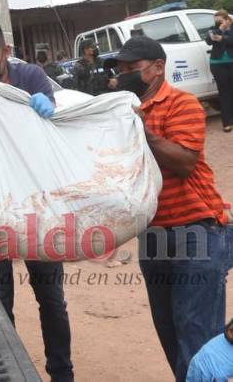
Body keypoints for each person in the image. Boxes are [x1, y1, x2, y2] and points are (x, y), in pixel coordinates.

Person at [0, 18, 74, 382]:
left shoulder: (31, 78)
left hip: (35, 204)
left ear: (5, 51)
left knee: (51, 300)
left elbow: (53, 125)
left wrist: (45, 108)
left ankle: (62, 373)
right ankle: (9, 374)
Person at [107, 35, 228, 382]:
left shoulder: (182, 104)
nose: (123, 76)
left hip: (197, 230)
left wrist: (141, 130)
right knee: (169, 329)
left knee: (197, 332)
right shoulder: (122, 111)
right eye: (120, 71)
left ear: (159, 67)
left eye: (133, 69)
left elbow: (185, 162)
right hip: (152, 233)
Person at [205, 9, 233, 132]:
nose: (218, 24)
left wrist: (220, 38)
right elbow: (209, 40)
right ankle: (226, 123)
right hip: (217, 65)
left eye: (220, 21)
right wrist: (220, 29)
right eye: (216, 22)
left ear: (228, 20)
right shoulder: (213, 29)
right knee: (224, 93)